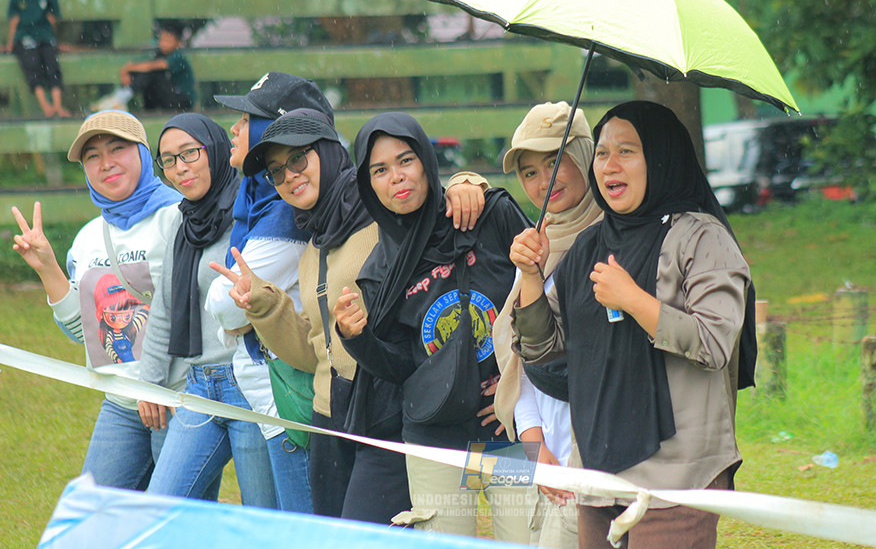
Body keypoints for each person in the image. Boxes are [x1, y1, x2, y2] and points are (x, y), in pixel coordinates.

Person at [213, 108, 491, 519]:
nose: (289, 175)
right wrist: (264, 304)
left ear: (327, 152)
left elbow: (425, 198)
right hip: (330, 420)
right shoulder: (314, 246)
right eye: (276, 171)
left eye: (298, 159)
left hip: (392, 414)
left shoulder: (383, 216)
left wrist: (467, 183)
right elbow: (317, 351)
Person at [510, 101, 756, 549]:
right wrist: (531, 275)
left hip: (678, 478)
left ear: (660, 158)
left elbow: (715, 343)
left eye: (627, 151)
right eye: (602, 154)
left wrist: (635, 301)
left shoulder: (701, 238)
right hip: (597, 471)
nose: (610, 165)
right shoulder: (590, 245)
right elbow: (542, 350)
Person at [335, 112, 533, 541]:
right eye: (380, 170)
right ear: (368, 185)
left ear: (426, 160)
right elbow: (404, 367)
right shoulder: (378, 271)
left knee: (523, 538)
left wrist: (520, 392)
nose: (397, 177)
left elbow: (542, 297)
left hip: (507, 423)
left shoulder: (486, 214)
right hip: (433, 427)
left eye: (405, 160)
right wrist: (357, 340)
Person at [11, 111, 182, 489]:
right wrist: (48, 269)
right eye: (92, 156)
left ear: (142, 152)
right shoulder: (87, 239)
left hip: (179, 402)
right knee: (93, 516)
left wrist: (154, 387)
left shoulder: (178, 219)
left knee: (172, 525)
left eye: (117, 148)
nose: (106, 163)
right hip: (120, 405)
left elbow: (193, 317)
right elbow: (84, 333)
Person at [135, 113, 278, 506]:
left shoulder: (248, 210)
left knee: (260, 520)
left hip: (247, 384)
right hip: (198, 387)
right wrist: (150, 385)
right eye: (168, 160)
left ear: (213, 150)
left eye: (189, 154)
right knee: (162, 506)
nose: (180, 168)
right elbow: (164, 308)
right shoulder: (182, 224)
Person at [205, 73, 332, 513]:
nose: (234, 131)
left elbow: (222, 305)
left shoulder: (283, 213)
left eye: (245, 120)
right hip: (270, 396)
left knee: (302, 529)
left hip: (289, 401)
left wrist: (235, 321)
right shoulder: (262, 197)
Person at [492, 102, 601, 549]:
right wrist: (536, 449)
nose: (544, 182)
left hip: (596, 456)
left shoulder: (615, 236)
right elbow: (522, 365)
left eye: (555, 162)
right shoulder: (535, 247)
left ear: (585, 155)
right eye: (529, 172)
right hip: (545, 459)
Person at [5, 0, 70, 118]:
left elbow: (52, 17)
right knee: (31, 64)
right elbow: (14, 19)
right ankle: (45, 106)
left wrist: (55, 41)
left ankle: (57, 105)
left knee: (52, 64)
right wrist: (10, 43)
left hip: (45, 37)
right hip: (24, 37)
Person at [116, 23, 196, 112]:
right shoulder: (159, 54)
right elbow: (139, 63)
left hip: (181, 100)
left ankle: (123, 95)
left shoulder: (178, 56)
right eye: (162, 40)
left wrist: (127, 69)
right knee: (146, 77)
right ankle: (126, 95)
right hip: (166, 97)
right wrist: (128, 73)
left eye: (168, 41)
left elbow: (152, 66)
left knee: (153, 73)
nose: (164, 44)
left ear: (178, 43)